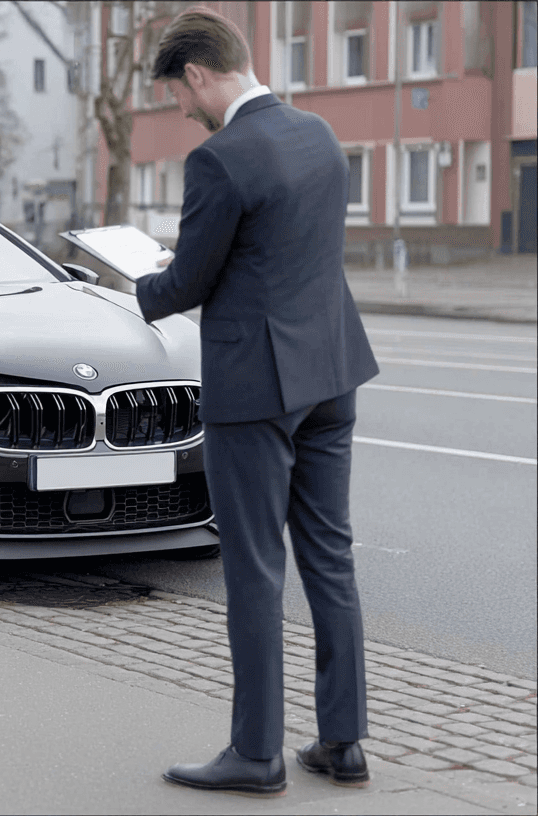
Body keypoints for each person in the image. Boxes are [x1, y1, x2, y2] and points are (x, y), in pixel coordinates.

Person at [134, 8, 380, 796]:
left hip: (256, 390)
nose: (182, 110)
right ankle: (342, 742)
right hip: (331, 371)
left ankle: (256, 754)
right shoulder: (318, 135)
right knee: (330, 558)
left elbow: (186, 285)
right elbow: (280, 249)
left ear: (199, 75)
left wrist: (132, 281)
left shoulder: (221, 160)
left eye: (179, 92)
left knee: (254, 569)